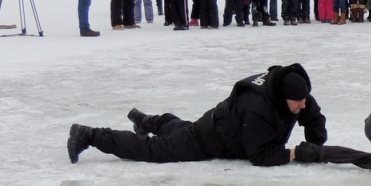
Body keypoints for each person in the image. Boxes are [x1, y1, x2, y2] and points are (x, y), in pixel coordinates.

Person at [67, 64, 328, 166]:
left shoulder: (295, 89)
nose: (302, 106)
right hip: (212, 137)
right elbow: (259, 155)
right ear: (282, 96)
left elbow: (314, 118)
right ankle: (89, 135)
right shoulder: (257, 107)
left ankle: (147, 121)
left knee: (181, 129)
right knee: (155, 150)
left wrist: (316, 146)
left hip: (219, 125)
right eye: (297, 102)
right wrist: (294, 153)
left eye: (305, 99)